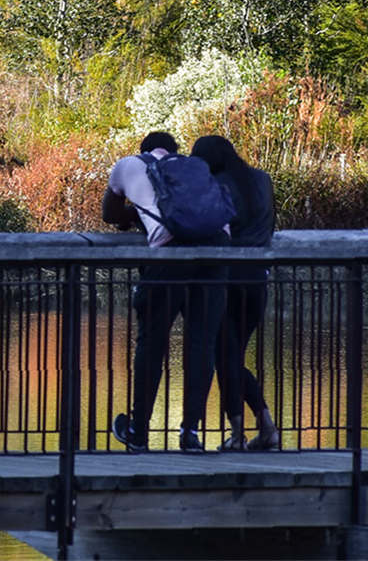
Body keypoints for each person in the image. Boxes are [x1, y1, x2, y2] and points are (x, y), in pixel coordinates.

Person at [101, 131, 227, 452]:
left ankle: (139, 432)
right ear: (174, 152)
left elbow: (109, 214)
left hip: (169, 256)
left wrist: (137, 216)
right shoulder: (193, 167)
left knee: (152, 341)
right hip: (217, 252)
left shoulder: (129, 165)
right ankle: (191, 434)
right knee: (202, 343)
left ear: (143, 150)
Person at [191, 134, 280, 452]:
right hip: (257, 278)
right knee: (233, 356)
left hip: (225, 278)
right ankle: (266, 428)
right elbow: (270, 228)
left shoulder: (215, 184)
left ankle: (239, 435)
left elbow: (207, 226)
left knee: (224, 358)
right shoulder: (262, 179)